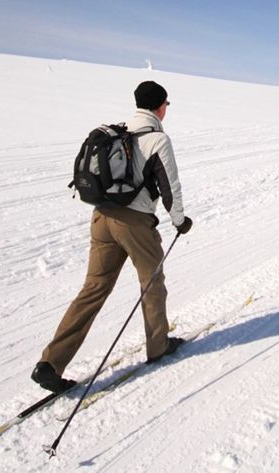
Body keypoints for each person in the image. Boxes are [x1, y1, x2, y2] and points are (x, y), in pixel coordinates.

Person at [31, 81, 193, 393]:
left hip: (101, 218)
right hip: (134, 223)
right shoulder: (157, 138)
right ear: (160, 106)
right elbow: (170, 185)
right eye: (166, 105)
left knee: (92, 290)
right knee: (152, 283)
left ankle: (50, 363)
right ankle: (158, 346)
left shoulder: (118, 133)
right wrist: (180, 220)